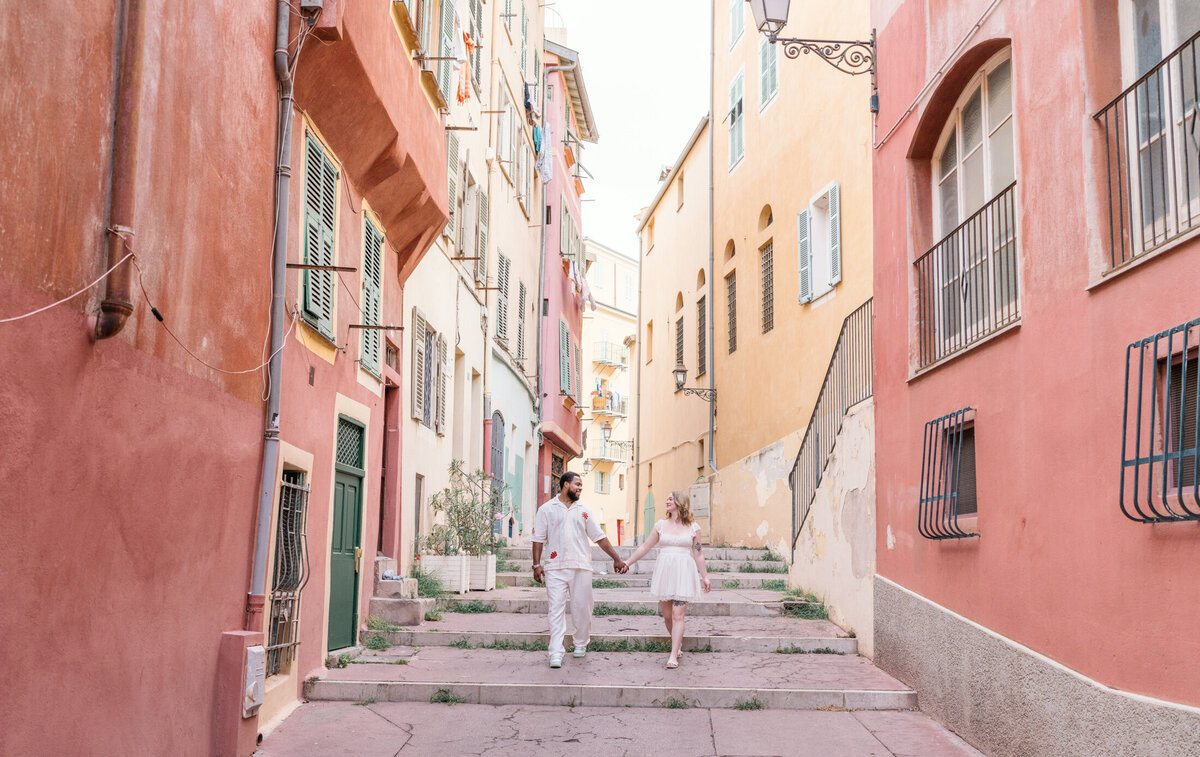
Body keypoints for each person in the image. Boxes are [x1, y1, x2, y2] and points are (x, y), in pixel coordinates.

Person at [531, 471, 628, 668]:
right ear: (566, 484)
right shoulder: (546, 509)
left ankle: (580, 643)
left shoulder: (584, 510)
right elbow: (538, 539)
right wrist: (536, 565)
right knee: (555, 610)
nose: (580, 488)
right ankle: (556, 652)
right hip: (555, 567)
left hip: (581, 566)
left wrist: (616, 558)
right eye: (577, 484)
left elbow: (598, 536)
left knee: (582, 608)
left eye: (581, 485)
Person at [623, 490, 711, 668]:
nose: (667, 500)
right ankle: (676, 644)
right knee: (668, 616)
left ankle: (673, 655)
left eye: (670, 498)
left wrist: (705, 577)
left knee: (679, 615)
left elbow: (698, 553)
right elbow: (645, 547)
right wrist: (627, 562)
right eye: (667, 498)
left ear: (680, 502)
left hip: (684, 572)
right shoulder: (660, 525)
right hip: (665, 573)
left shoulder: (693, 528)